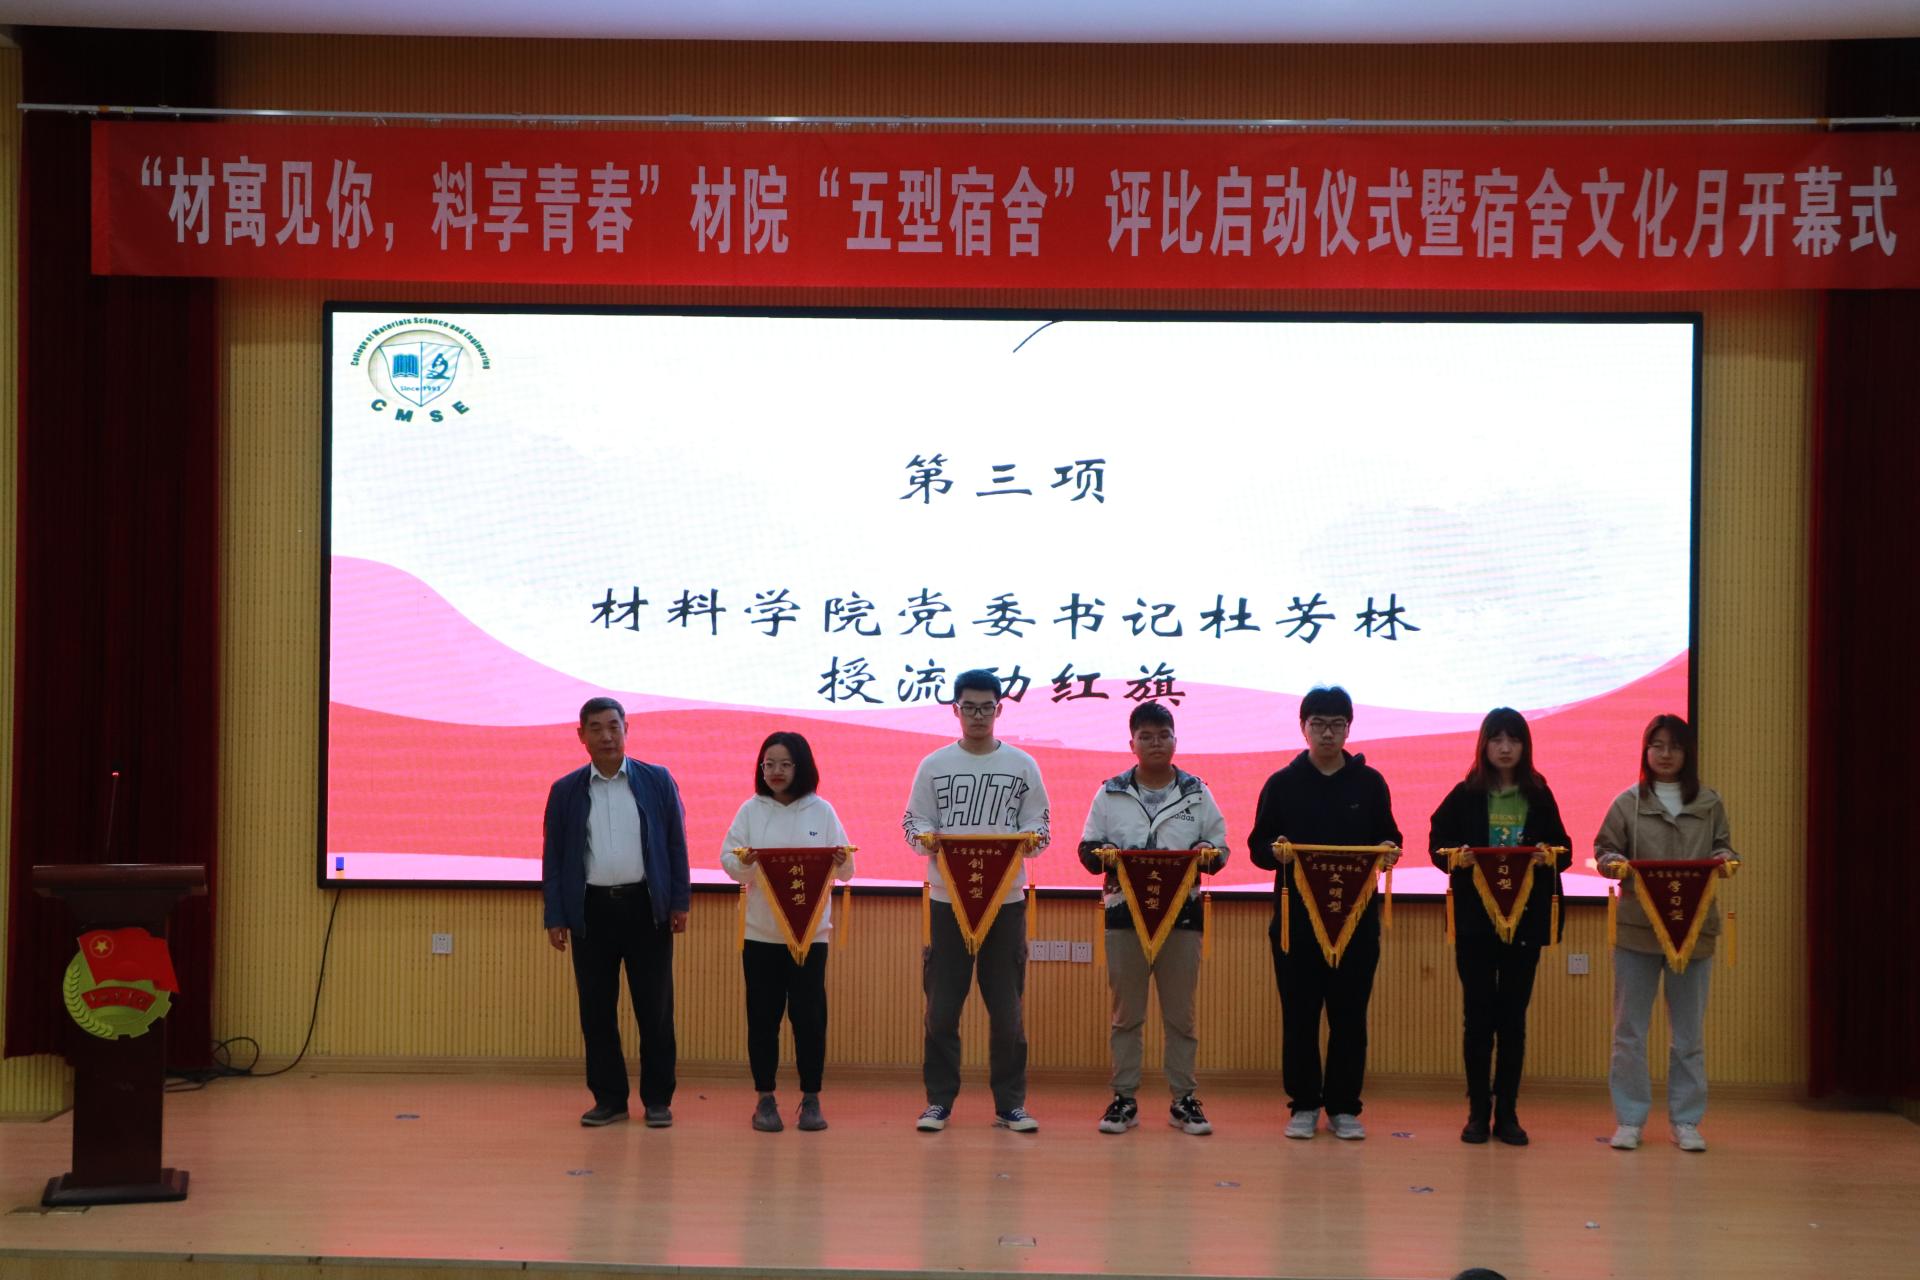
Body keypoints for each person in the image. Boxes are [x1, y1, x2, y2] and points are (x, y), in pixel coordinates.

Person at [1247, 686, 1402, 1141]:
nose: (1328, 733)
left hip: (1356, 921)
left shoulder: (1370, 784)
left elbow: (1390, 837)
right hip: (1296, 923)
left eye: (1337, 724)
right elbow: (1257, 847)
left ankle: (1344, 1107)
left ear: (1349, 728)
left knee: (1349, 1016)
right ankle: (1303, 1104)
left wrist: (1389, 850)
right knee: (1300, 1016)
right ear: (1304, 727)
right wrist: (1275, 851)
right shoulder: (1282, 783)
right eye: (1318, 724)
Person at [902, 668, 1050, 1133]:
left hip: (1005, 903)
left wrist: (1030, 841)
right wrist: (925, 839)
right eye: (969, 707)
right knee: (942, 1009)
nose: (978, 715)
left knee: (1007, 1012)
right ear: (956, 710)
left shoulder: (1022, 765)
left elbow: (1041, 827)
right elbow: (913, 822)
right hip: (948, 902)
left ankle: (1010, 1105)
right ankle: (938, 1102)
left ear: (999, 709)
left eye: (987, 707)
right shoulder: (934, 765)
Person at [1078, 701, 1228, 1136]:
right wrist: (1102, 854)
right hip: (1124, 915)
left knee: (1181, 1015)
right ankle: (1124, 1099)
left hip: (1182, 917)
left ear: (1175, 740)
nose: (1156, 743)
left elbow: (1220, 848)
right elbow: (1087, 850)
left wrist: (1208, 852)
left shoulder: (1197, 792)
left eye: (1163, 735)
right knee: (1127, 1015)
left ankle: (1184, 1100)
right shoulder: (1110, 792)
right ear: (1132, 744)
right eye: (1146, 736)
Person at [541, 697, 691, 1128]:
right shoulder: (565, 790)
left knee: (655, 1010)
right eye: (596, 728)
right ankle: (609, 1100)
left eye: (613, 726)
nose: (606, 736)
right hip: (591, 912)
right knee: (596, 1011)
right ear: (581, 735)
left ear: (627, 729)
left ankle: (658, 1100)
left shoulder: (657, 780)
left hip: (647, 909)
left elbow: (676, 845)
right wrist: (556, 915)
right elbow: (555, 858)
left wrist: (679, 901)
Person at [1427, 708, 1571, 1146]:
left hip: (1524, 922)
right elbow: (1437, 845)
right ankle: (1477, 1112)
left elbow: (1564, 850)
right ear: (1484, 745)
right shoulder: (1466, 793)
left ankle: (1507, 1112)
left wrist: (1548, 855)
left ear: (1525, 746)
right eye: (1497, 739)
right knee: (1477, 1018)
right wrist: (1458, 856)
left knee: (1512, 1019)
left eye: (1514, 739)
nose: (1505, 748)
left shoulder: (1539, 794)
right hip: (1475, 922)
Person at [1595, 714, 1736, 1154]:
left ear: (1687, 752)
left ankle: (1686, 1120)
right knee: (1629, 1032)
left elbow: (1724, 846)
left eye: (1674, 746)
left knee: (1688, 1034)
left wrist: (1726, 859)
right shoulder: (1628, 803)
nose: (1665, 754)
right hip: (1638, 930)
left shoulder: (1709, 803)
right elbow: (1604, 850)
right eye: (1656, 745)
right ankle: (1630, 1119)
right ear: (1646, 751)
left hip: (1694, 931)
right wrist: (1613, 864)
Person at [720, 732, 855, 1133]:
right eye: (769, 764)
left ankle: (811, 1099)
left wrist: (839, 859)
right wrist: (746, 863)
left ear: (801, 767)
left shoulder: (822, 811)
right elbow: (729, 862)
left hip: (811, 937)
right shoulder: (750, 810)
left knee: (810, 1019)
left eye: (784, 764)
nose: (775, 772)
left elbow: (847, 871)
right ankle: (765, 1099)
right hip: (760, 935)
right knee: (762, 1018)